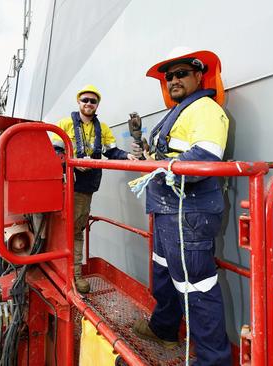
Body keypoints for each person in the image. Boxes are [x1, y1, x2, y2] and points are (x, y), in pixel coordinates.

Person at [131, 50, 231, 365]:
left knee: (197, 288)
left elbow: (204, 158)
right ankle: (163, 328)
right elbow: (170, 153)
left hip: (188, 213)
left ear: (199, 76)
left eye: (181, 74)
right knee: (165, 273)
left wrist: (158, 166)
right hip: (168, 211)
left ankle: (213, 360)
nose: (174, 80)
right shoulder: (181, 111)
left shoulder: (204, 108)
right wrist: (146, 156)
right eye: (169, 77)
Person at [51, 85, 138, 293]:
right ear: (78, 102)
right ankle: (65, 270)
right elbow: (55, 152)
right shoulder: (64, 125)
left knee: (76, 228)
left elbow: (112, 151)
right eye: (85, 100)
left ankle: (74, 274)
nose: (89, 104)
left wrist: (127, 156)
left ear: (97, 105)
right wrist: (71, 162)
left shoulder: (103, 128)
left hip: (84, 188)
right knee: (62, 227)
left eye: (93, 101)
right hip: (64, 184)